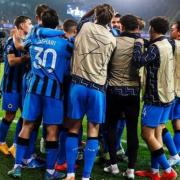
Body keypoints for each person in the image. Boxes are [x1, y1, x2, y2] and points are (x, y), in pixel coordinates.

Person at [8, 8, 72, 179]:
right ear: (56, 24)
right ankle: (50, 172)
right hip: (53, 91)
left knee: (27, 125)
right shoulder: (65, 43)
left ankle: (17, 166)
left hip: (33, 88)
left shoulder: (34, 39)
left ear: (41, 22)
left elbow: (20, 46)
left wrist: (15, 35)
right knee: (52, 130)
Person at [65, 4, 116, 180]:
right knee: (93, 131)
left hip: (78, 85)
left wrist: (94, 10)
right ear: (110, 19)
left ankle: (70, 173)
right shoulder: (112, 38)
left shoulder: (85, 27)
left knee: (73, 128)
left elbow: (82, 20)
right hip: (97, 89)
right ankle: (86, 177)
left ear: (95, 15)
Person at [134, 16, 177, 180]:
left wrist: (138, 44)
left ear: (152, 29)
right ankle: (154, 171)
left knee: (146, 134)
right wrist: (143, 42)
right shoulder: (167, 43)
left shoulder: (155, 47)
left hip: (155, 97)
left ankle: (167, 171)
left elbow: (138, 61)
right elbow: (153, 50)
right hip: (168, 96)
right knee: (157, 133)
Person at [104, 14, 142, 179]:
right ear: (137, 27)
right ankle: (131, 170)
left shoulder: (114, 41)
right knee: (132, 130)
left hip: (114, 90)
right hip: (133, 91)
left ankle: (113, 165)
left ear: (122, 26)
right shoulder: (141, 43)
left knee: (110, 127)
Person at [0, 16, 32, 157]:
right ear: (21, 25)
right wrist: (27, 58)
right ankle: (1, 142)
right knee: (10, 115)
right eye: (29, 23)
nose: (31, 25)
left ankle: (15, 145)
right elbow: (12, 61)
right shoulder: (10, 41)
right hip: (11, 84)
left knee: (25, 116)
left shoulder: (28, 41)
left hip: (24, 85)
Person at [168, 20, 180, 163]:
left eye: (172, 29)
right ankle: (176, 154)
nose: (170, 32)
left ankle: (173, 154)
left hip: (172, 91)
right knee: (177, 122)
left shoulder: (174, 45)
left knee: (159, 124)